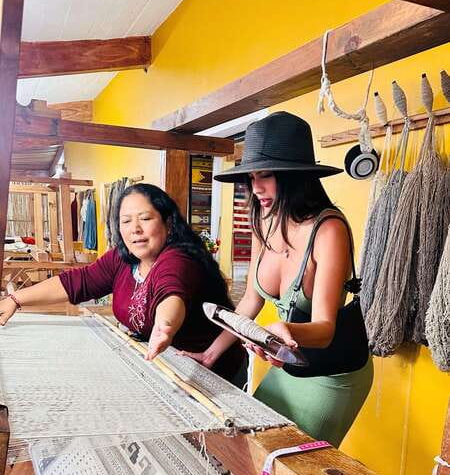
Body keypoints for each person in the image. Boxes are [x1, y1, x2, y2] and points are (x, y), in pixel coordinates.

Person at [182, 112, 373, 447]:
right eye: (251, 177)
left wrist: (285, 331)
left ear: (295, 177)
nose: (256, 189)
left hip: (332, 373)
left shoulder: (329, 230)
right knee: (251, 440)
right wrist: (211, 354)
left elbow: (325, 329)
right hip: (292, 362)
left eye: (266, 175)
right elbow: (251, 301)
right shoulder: (265, 222)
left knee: (289, 462)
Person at [0, 183, 246, 385]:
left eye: (145, 219)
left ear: (167, 223)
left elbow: (171, 292)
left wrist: (165, 327)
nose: (135, 229)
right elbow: (79, 281)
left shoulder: (179, 259)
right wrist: (15, 299)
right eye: (126, 221)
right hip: (171, 366)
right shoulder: (122, 259)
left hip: (212, 369)